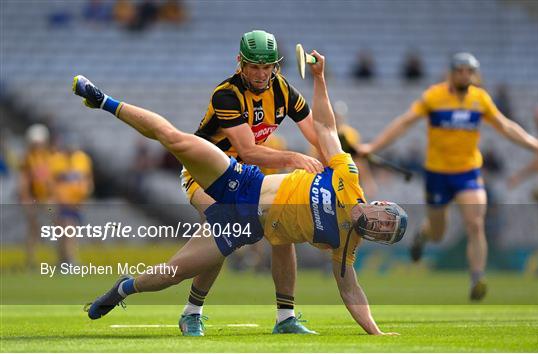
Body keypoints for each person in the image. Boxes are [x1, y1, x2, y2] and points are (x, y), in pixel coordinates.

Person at [72, 50, 407, 335]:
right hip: (241, 182)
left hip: (243, 226)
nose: (377, 226)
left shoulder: (348, 242)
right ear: (380, 205)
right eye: (383, 220)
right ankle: (103, 100)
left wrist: (376, 333)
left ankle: (122, 288)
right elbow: (325, 127)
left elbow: (350, 288)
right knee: (174, 139)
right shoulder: (347, 177)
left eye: (382, 233)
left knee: (171, 274)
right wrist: (319, 78)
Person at [357, 53, 538, 301]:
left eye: (469, 71)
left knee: (475, 223)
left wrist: (533, 144)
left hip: (468, 173)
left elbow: (506, 126)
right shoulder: (434, 96)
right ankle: (424, 235)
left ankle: (477, 278)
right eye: (460, 71)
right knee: (438, 232)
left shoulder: (480, 99)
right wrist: (373, 147)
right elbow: (404, 122)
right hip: (438, 174)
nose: (465, 75)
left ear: (474, 74)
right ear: (451, 73)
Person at [178, 30, 324, 335]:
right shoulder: (226, 94)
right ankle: (192, 312)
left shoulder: (282, 90)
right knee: (223, 228)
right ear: (240, 63)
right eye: (253, 66)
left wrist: (337, 158)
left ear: (276, 66)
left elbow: (316, 132)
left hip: (246, 177)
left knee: (283, 230)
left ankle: (286, 318)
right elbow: (248, 150)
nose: (260, 74)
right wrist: (295, 159)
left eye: (266, 66)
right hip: (206, 174)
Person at [49, 134, 94, 264]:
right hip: (61, 202)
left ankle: (66, 261)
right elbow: (50, 182)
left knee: (69, 232)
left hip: (77, 202)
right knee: (66, 231)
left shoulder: (83, 159)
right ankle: (69, 260)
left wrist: (86, 193)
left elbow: (88, 179)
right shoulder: (56, 159)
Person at [19, 124, 54, 269]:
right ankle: (31, 260)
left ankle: (58, 259)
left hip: (48, 199)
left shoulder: (50, 156)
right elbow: (24, 181)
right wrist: (25, 198)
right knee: (33, 230)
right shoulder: (28, 159)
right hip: (34, 199)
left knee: (56, 230)